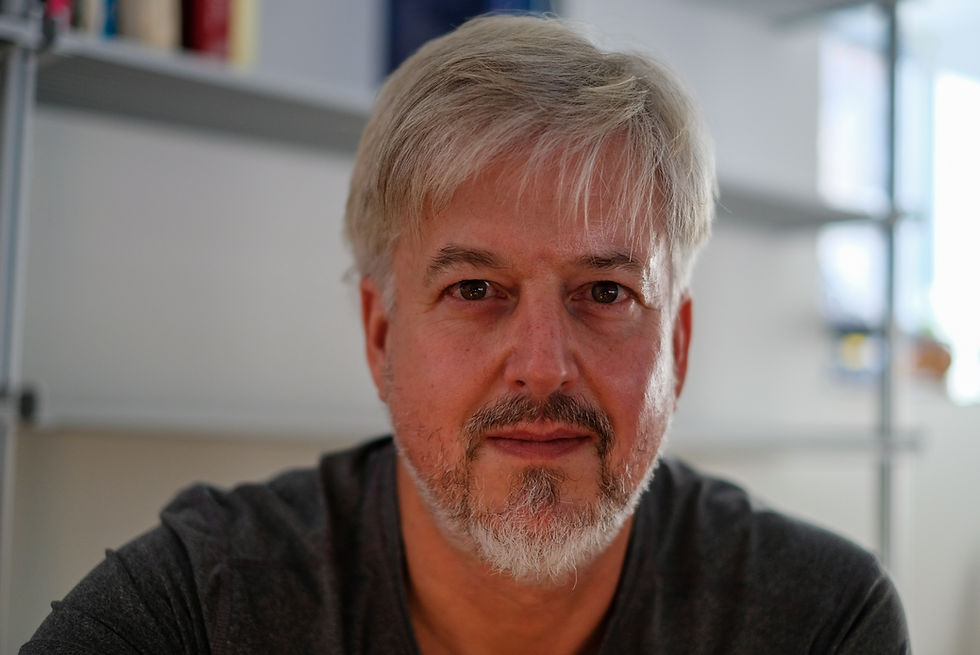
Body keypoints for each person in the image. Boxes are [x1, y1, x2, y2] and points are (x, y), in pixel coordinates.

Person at [22, 14, 909, 654]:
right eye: (474, 288)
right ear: (380, 336)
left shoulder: (819, 619)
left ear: (676, 346)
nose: (542, 366)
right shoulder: (203, 606)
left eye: (606, 290)